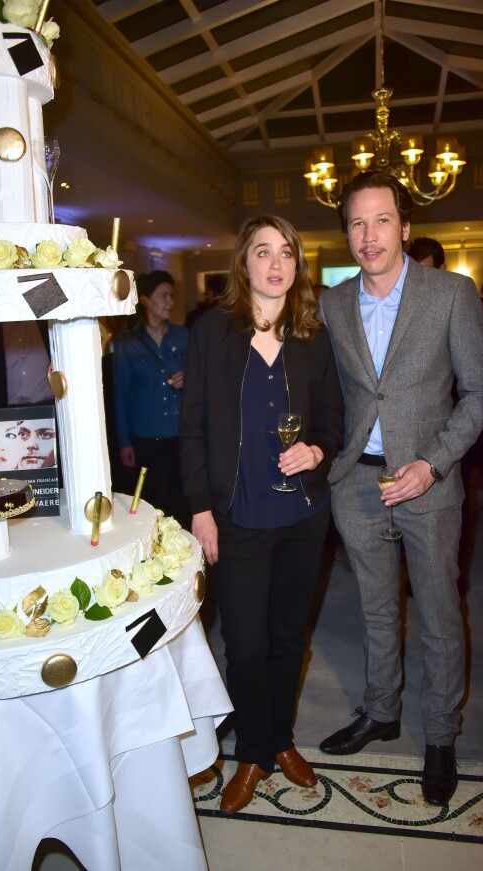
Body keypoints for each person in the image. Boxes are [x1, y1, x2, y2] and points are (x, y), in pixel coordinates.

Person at [318, 171, 483, 806]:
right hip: (357, 484)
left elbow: (481, 391)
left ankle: (441, 737)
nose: (369, 237)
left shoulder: (451, 293)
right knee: (374, 610)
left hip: (427, 482)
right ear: (347, 234)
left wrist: (434, 461)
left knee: (441, 617)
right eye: (357, 224)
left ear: (405, 227)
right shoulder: (332, 304)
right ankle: (381, 710)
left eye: (381, 221)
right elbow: (331, 391)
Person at [179, 215, 344, 814]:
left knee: (287, 640)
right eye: (262, 252)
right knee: (244, 645)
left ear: (297, 266)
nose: (276, 264)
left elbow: (333, 418)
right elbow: (192, 427)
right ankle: (250, 752)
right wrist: (199, 507)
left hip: (303, 517)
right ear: (243, 263)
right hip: (239, 518)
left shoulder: (313, 335)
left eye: (287, 254)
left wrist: (319, 449)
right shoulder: (210, 333)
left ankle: (279, 741)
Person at [113, 271, 190, 524]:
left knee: (182, 498)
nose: (170, 302)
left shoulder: (183, 336)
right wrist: (124, 442)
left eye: (171, 296)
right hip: (144, 435)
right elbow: (121, 394)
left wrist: (189, 377)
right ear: (145, 300)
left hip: (181, 434)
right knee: (149, 500)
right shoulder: (126, 342)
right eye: (163, 296)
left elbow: (204, 381)